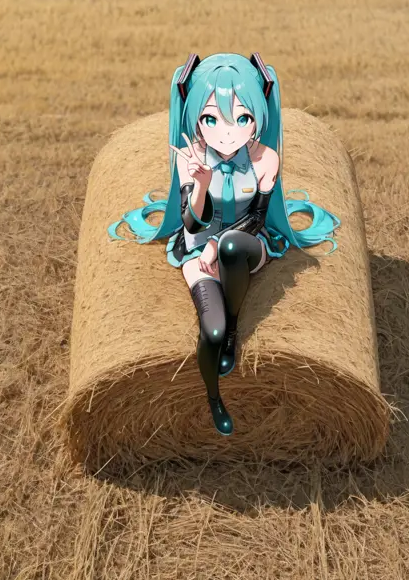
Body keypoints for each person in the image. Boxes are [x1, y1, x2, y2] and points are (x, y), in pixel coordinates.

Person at [108, 52, 340, 437]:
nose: (227, 132)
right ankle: (214, 396)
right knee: (210, 333)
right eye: (212, 119)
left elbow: (258, 218)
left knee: (231, 246)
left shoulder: (265, 159)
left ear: (259, 118)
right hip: (196, 249)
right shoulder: (191, 159)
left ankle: (234, 325)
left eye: (242, 118)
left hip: (248, 244)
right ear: (195, 119)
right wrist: (200, 185)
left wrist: (217, 245)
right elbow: (190, 223)